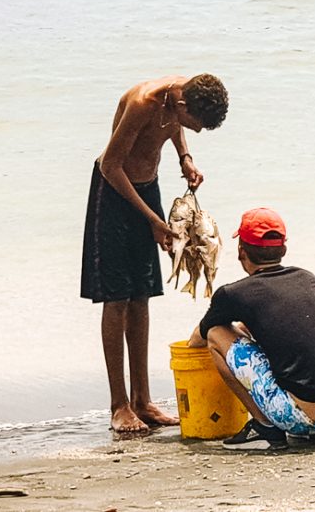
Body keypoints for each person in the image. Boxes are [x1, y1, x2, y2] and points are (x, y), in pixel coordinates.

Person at [81, 74, 229, 434]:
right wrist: (152, 220)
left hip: (147, 189)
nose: (194, 131)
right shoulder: (143, 103)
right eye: (195, 126)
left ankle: (143, 400)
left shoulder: (184, 94)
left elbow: (174, 126)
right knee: (117, 298)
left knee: (143, 294)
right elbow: (110, 166)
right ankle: (119, 405)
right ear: (182, 106)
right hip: (114, 193)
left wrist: (185, 159)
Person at [187, 208, 315, 450]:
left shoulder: (233, 293)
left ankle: (264, 424)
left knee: (215, 334)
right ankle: (312, 430)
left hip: (296, 416)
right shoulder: (307, 278)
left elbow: (197, 339)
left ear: (241, 251)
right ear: (283, 249)